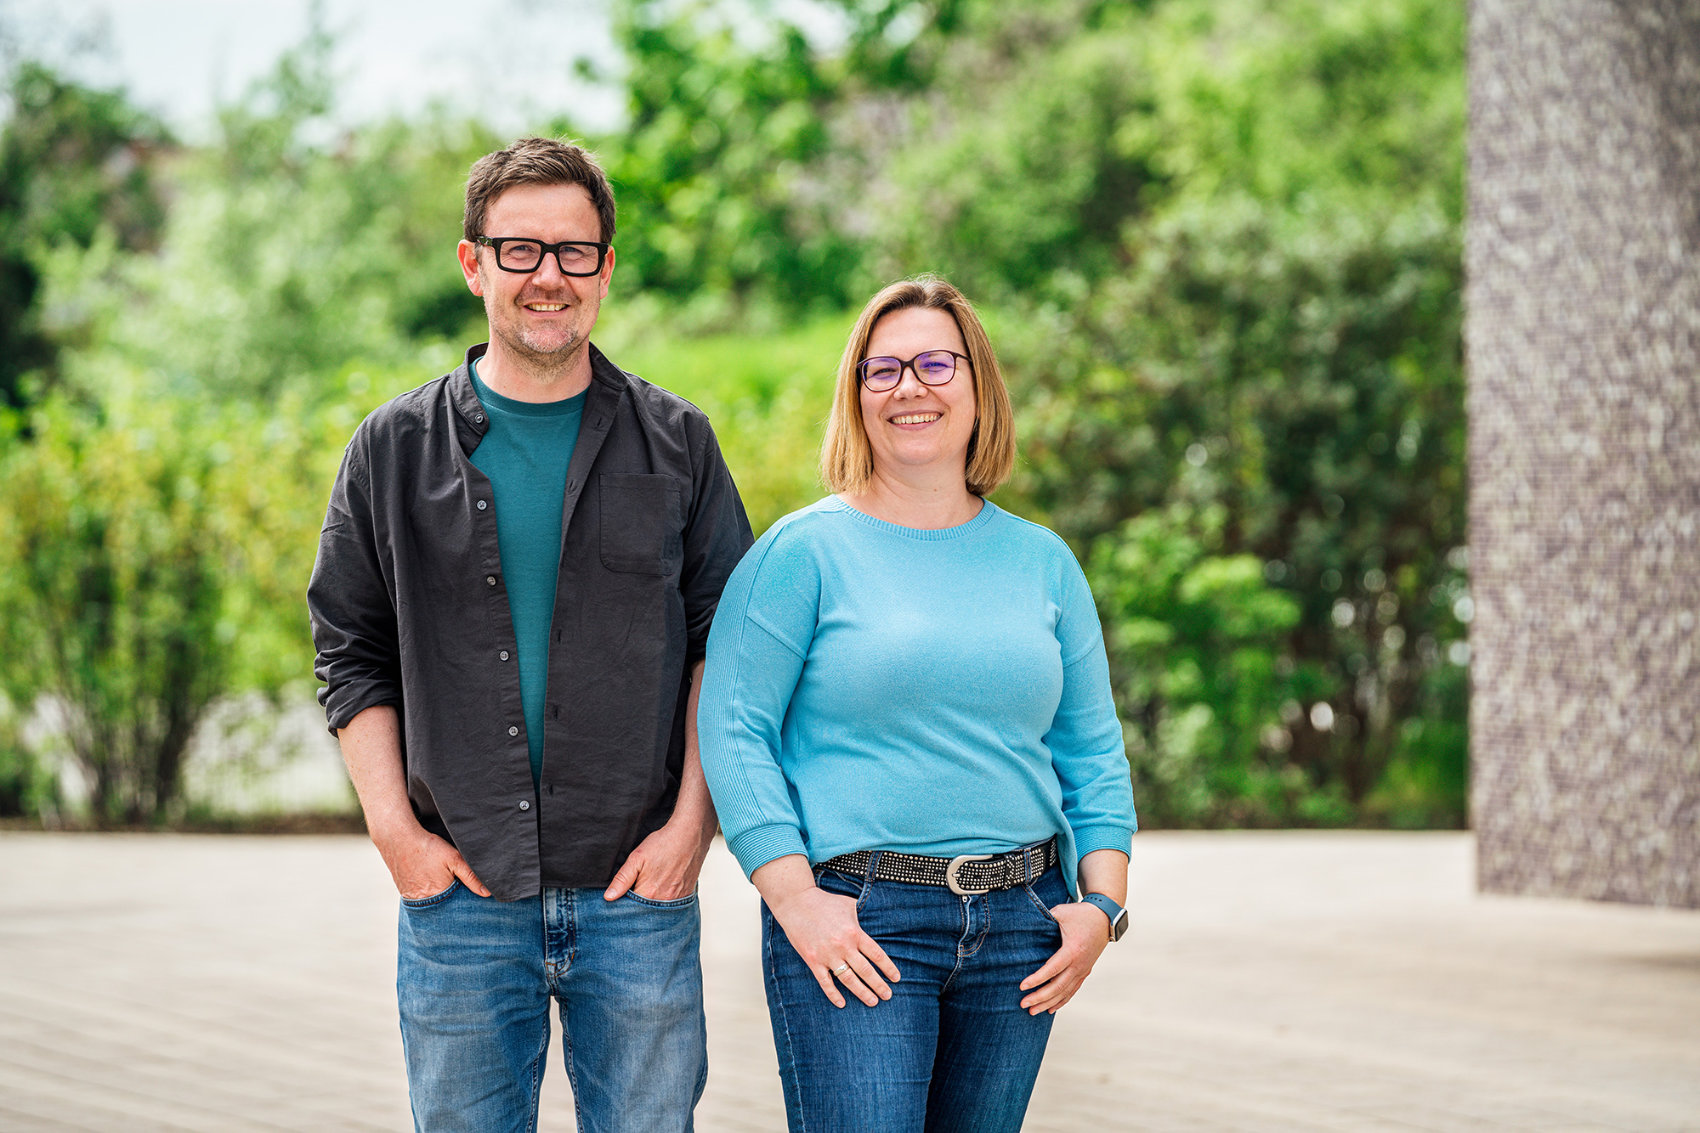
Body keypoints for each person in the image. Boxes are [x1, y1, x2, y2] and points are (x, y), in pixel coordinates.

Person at [306, 136, 752, 1133]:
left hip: (637, 889)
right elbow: (350, 649)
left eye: (574, 251)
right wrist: (395, 833)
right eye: (520, 250)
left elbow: (726, 650)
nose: (548, 275)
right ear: (473, 264)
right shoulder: (391, 448)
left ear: (603, 268)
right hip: (457, 891)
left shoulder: (678, 441)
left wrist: (692, 829)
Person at [696, 274, 1137, 1132]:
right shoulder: (801, 554)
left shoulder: (1044, 561)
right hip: (861, 920)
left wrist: (1102, 910)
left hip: (1024, 921)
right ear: (856, 396)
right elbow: (735, 727)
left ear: (979, 388)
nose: (911, 387)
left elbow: (1092, 748)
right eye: (883, 368)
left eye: (937, 363)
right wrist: (793, 898)